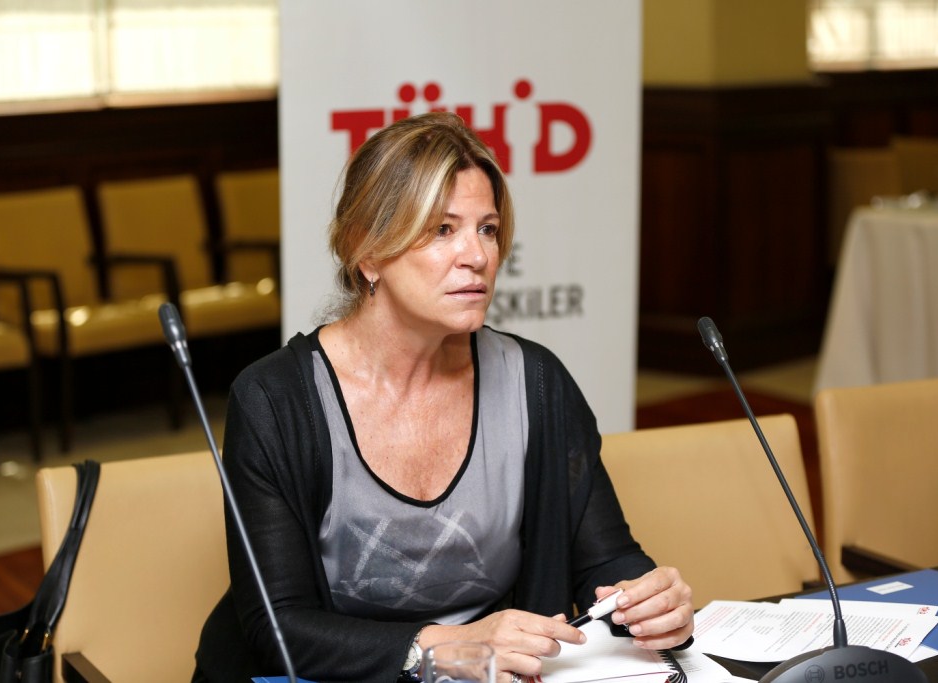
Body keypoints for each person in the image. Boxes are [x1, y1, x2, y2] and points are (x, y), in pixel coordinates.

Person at [192, 111, 694, 683]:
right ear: (367, 251)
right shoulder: (275, 400)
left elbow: (604, 559)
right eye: (442, 230)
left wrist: (647, 602)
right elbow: (278, 625)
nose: (477, 256)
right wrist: (445, 647)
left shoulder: (536, 382)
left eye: (488, 229)